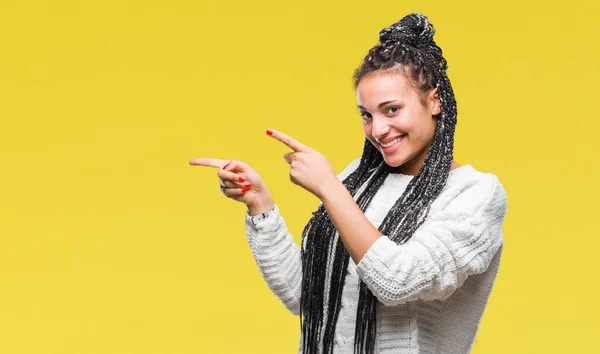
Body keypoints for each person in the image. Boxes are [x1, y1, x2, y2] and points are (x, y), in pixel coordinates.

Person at [190, 13, 507, 354]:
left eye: (392, 109)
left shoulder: (475, 194)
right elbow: (303, 295)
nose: (378, 129)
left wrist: (329, 188)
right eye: (367, 115)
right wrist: (260, 204)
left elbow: (399, 281)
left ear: (434, 101)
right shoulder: (358, 179)